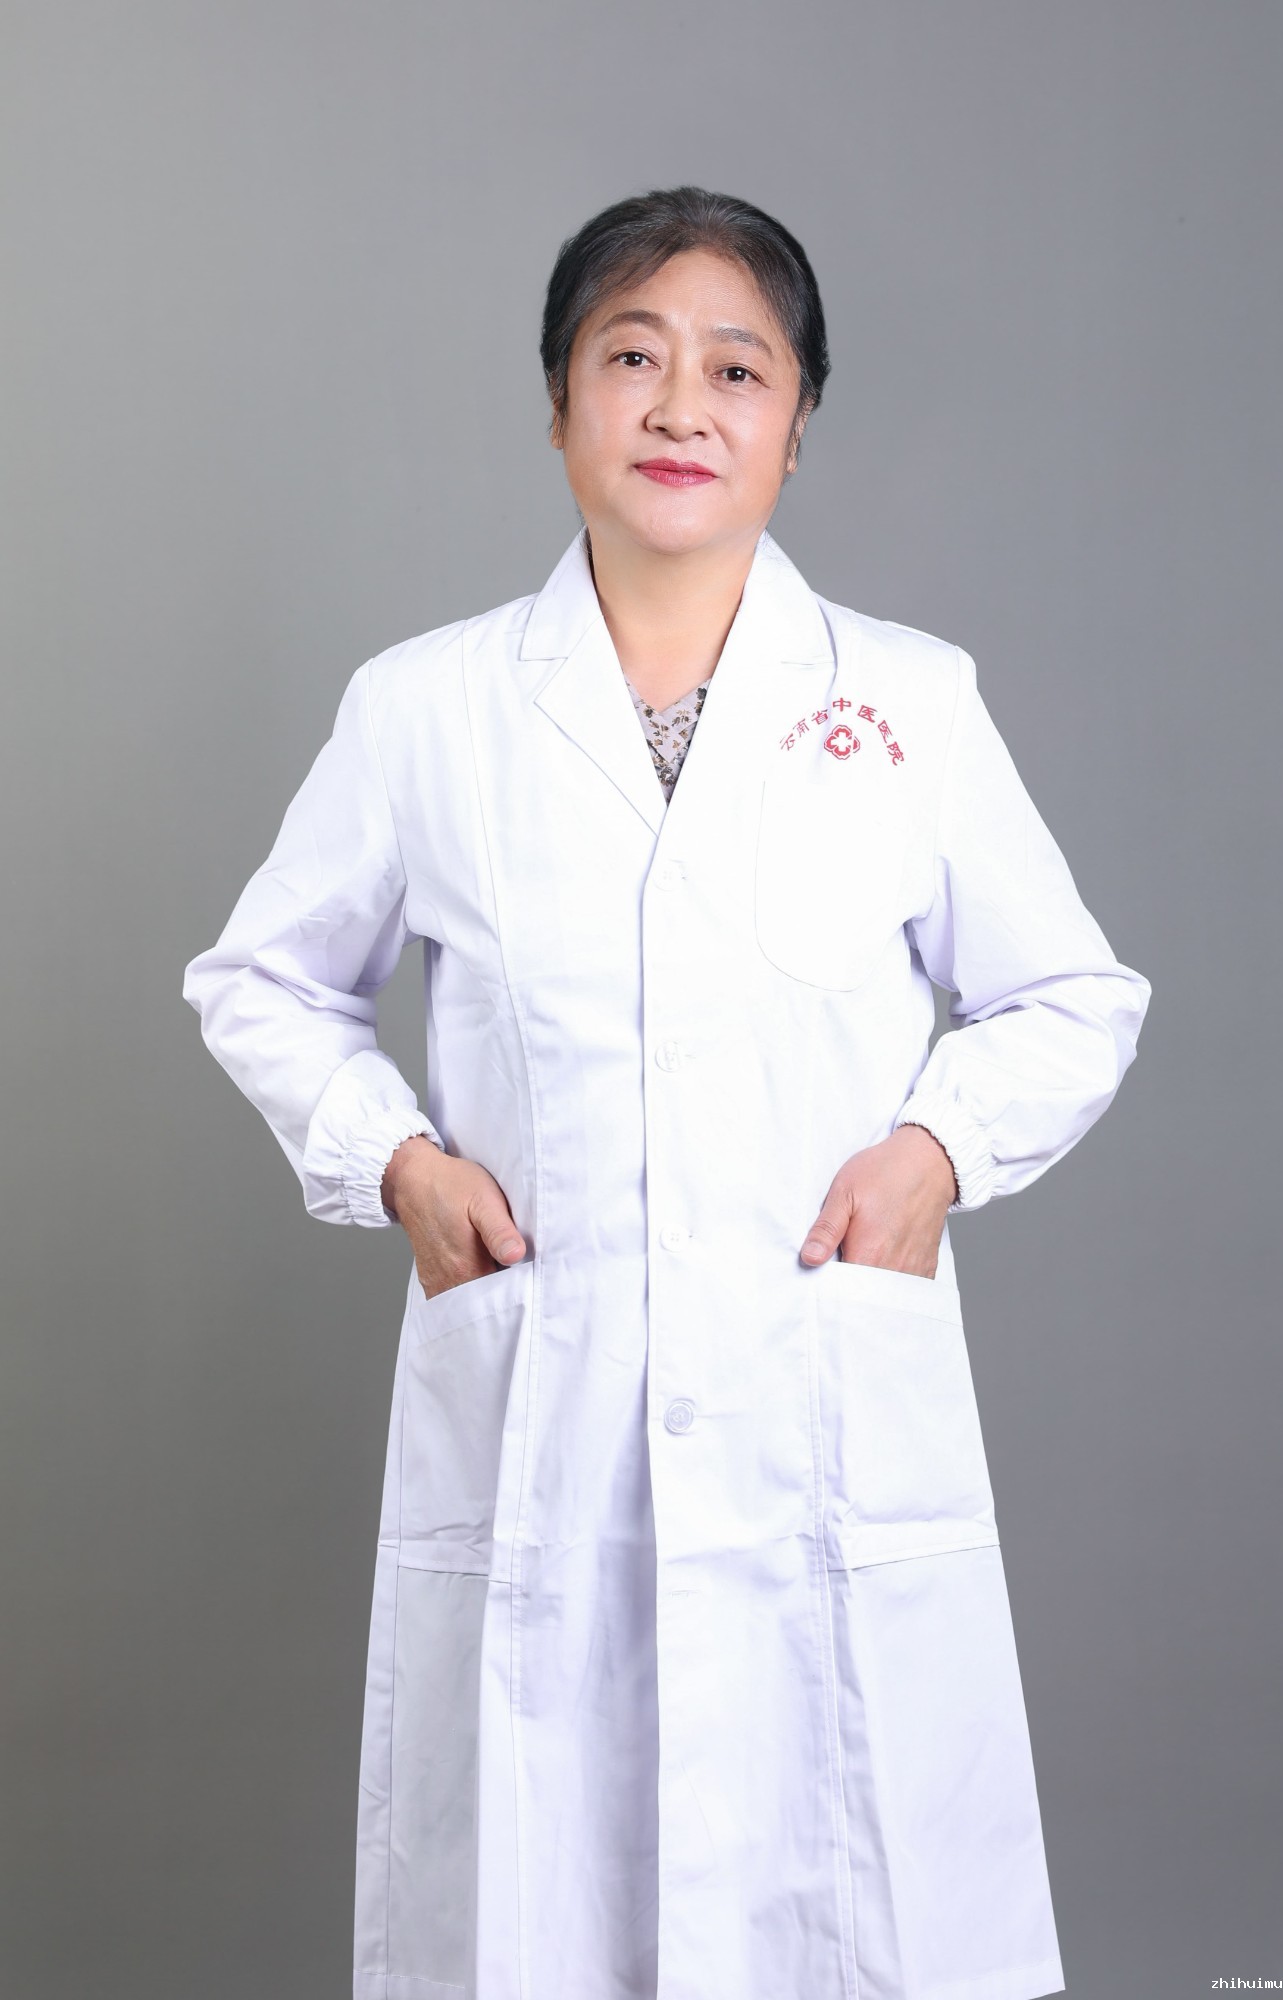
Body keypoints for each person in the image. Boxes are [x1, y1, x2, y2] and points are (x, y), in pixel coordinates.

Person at [182, 184, 1151, 2000]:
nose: (680, 407)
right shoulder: (427, 709)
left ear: (796, 426)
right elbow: (262, 979)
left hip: (811, 1407)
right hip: (548, 1410)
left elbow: (1070, 996)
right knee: (544, 1904)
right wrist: (395, 1158)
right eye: (630, 358)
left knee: (837, 1897)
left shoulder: (911, 702)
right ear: (558, 405)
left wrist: (936, 1149)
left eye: (736, 369)